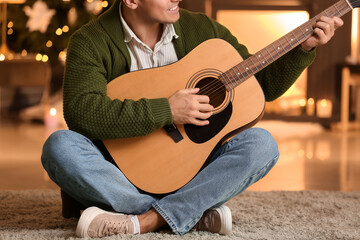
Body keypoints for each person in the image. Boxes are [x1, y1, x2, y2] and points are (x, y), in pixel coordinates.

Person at [41, 0, 343, 237]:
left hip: (191, 170)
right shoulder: (90, 41)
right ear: (132, 0)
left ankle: (142, 221)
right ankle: (188, 212)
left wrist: (304, 49)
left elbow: (262, 87)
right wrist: (167, 110)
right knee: (60, 146)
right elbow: (81, 113)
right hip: (118, 174)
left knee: (262, 144)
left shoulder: (204, 30)